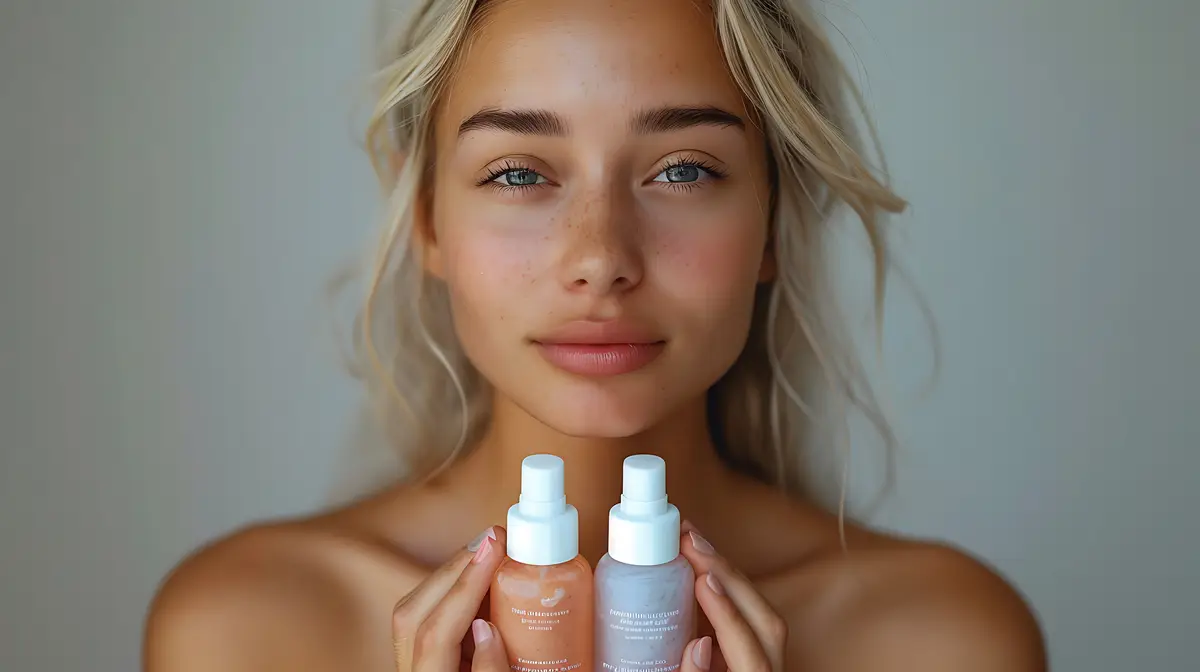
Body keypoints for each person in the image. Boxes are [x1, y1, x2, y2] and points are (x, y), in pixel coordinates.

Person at [143, 0, 1046, 670]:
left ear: (773, 223)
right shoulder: (246, 629)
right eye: (518, 173)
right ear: (425, 217)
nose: (600, 258)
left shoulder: (942, 638)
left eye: (684, 169)